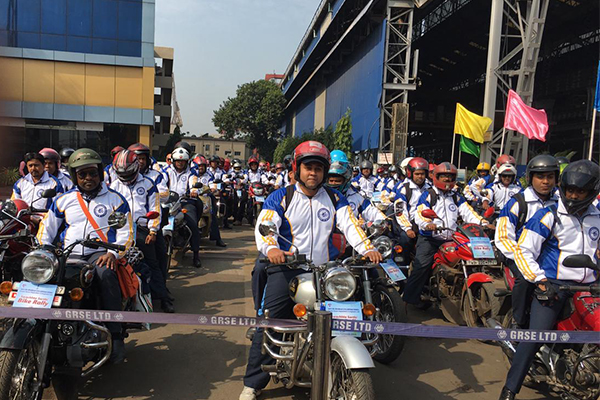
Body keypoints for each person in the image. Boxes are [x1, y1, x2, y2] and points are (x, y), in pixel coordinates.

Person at [239, 141, 382, 400]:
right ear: (297, 168)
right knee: (268, 320)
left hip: (328, 271)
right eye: (308, 167)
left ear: (325, 172)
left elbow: (350, 224)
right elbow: (266, 225)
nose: (313, 173)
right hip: (288, 269)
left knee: (352, 315)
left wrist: (366, 247)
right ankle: (253, 382)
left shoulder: (336, 198)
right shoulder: (281, 196)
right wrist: (272, 249)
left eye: (318, 168)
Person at [499, 160, 600, 400]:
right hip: (555, 286)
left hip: (589, 288)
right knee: (536, 336)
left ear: (592, 191)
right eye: (570, 191)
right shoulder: (549, 215)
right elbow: (523, 251)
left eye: (580, 191)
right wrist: (540, 281)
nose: (574, 196)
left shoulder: (597, 217)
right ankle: (509, 390)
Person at [36, 148, 134, 363]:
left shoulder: (115, 200)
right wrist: (44, 247)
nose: (88, 178)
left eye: (92, 173)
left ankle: (115, 335)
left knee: (106, 275)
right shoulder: (63, 200)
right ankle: (38, 327)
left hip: (97, 254)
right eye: (82, 174)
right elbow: (47, 228)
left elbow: (125, 234)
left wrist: (111, 253)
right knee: (40, 278)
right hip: (67, 255)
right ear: (74, 176)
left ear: (100, 173)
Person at [403, 162, 489, 309]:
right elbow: (420, 212)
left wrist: (483, 222)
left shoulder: (456, 196)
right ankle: (409, 299)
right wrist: (427, 224)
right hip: (430, 238)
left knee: (470, 260)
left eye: (450, 177)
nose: (447, 180)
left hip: (452, 239)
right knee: (421, 266)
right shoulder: (429, 194)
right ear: (436, 177)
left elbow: (468, 212)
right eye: (444, 177)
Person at [494, 155, 559, 328]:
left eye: (550, 177)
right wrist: (523, 257)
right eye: (540, 176)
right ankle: (518, 321)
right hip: (517, 253)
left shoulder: (560, 202)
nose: (545, 181)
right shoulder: (518, 202)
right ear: (530, 178)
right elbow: (503, 237)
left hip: (549, 256)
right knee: (524, 280)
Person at [110, 150, 173, 313]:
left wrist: (152, 231)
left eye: (128, 173)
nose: (125, 177)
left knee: (154, 262)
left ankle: (163, 297)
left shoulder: (148, 184)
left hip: (143, 229)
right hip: (120, 229)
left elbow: (155, 208)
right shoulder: (113, 186)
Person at [128, 143, 172, 300]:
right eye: (136, 158)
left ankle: (163, 295)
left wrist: (153, 230)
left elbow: (163, 194)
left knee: (158, 258)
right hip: (124, 228)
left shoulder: (154, 176)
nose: (139, 161)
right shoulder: (116, 181)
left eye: (142, 158)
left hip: (147, 225)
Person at [163, 148, 203, 268]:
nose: (180, 163)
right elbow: (161, 184)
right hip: (168, 201)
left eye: (183, 161)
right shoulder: (166, 171)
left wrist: (194, 190)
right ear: (173, 161)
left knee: (193, 225)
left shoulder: (191, 173)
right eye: (178, 161)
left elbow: (194, 182)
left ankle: (196, 254)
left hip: (185, 201)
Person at [394, 157, 430, 259]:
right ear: (410, 174)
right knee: (405, 241)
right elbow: (400, 211)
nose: (420, 177)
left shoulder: (431, 188)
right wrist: (408, 229)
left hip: (427, 224)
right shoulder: (403, 189)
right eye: (417, 174)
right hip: (411, 224)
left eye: (422, 174)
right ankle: (403, 266)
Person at [191, 155, 228, 244]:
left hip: (206, 197)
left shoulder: (208, 175)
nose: (201, 168)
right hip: (193, 199)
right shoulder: (191, 175)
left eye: (202, 166)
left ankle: (217, 239)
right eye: (199, 166)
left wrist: (212, 188)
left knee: (213, 215)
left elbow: (212, 184)